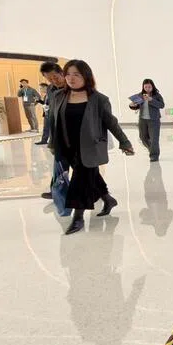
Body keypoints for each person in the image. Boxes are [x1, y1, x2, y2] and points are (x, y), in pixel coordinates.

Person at [48, 59, 134, 235]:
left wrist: (124, 142)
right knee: (91, 174)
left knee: (80, 180)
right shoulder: (58, 96)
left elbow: (111, 122)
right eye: (68, 74)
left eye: (76, 74)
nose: (71, 78)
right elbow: (53, 121)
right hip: (67, 146)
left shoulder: (99, 99)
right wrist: (52, 143)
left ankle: (78, 218)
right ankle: (108, 199)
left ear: (86, 76)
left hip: (89, 147)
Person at [38, 63, 65, 197]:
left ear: (62, 73)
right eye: (49, 79)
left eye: (56, 77)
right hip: (59, 132)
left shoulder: (74, 86)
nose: (54, 81)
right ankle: (56, 191)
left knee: (85, 168)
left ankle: (101, 192)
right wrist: (52, 140)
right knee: (59, 164)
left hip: (76, 132)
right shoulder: (51, 89)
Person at [130, 78, 165, 162]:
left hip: (154, 120)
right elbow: (136, 106)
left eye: (149, 87)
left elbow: (161, 105)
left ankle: (154, 156)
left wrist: (151, 100)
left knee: (154, 139)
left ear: (152, 86)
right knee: (143, 138)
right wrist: (132, 105)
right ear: (143, 87)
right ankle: (151, 149)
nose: (147, 89)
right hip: (142, 120)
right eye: (145, 87)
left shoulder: (157, 95)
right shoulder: (140, 95)